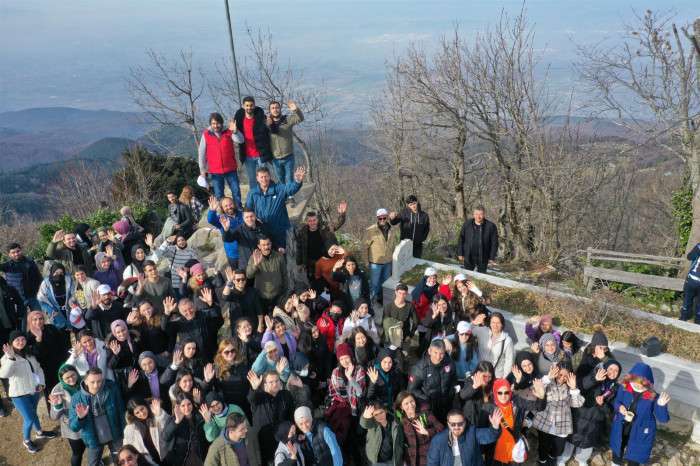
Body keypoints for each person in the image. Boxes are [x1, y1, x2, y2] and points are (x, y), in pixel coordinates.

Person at [0, 330, 56, 453]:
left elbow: (38, 369)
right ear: (11, 342)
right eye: (17, 340)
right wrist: (10, 358)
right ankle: (26, 440)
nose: (21, 342)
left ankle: (40, 432)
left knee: (33, 414)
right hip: (19, 394)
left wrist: (41, 383)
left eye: (23, 339)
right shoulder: (6, 357)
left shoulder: (29, 354)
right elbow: (4, 374)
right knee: (29, 418)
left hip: (34, 391)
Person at [609, 362, 670, 466]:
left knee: (635, 456)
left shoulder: (653, 396)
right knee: (618, 446)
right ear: (630, 378)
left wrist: (661, 405)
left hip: (640, 430)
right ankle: (616, 463)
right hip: (622, 425)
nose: (638, 384)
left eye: (642, 382)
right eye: (635, 381)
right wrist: (620, 407)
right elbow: (616, 402)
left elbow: (663, 419)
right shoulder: (624, 388)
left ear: (648, 382)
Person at [69, 367, 126, 466]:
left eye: (99, 381)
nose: (96, 385)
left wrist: (125, 430)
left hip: (115, 434)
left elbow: (121, 411)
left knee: (120, 461)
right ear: (86, 381)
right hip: (93, 439)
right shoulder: (76, 398)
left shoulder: (112, 389)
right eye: (92, 382)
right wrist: (80, 418)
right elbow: (73, 427)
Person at [570, 359, 622, 466]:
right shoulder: (595, 376)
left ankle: (582, 460)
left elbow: (612, 410)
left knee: (588, 441)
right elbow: (581, 387)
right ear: (605, 369)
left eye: (616, 370)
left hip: (596, 421)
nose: (613, 372)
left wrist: (603, 404)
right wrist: (594, 379)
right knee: (571, 438)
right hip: (581, 415)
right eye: (610, 369)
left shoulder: (616, 388)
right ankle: (563, 458)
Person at [532, 361, 584, 466]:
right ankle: (542, 461)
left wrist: (573, 388)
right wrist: (548, 377)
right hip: (546, 421)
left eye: (565, 376)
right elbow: (535, 388)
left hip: (562, 423)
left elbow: (577, 404)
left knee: (559, 449)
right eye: (560, 374)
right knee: (543, 446)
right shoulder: (548, 382)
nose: (562, 378)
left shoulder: (570, 386)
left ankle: (552, 457)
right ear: (556, 373)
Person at [246, 165, 306, 249]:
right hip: (262, 231)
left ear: (270, 176)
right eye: (261, 177)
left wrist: (297, 181)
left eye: (266, 176)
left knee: (281, 252)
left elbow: (290, 189)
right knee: (266, 253)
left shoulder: (278, 189)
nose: (264, 179)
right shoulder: (253, 193)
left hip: (279, 231)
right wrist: (254, 220)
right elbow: (248, 210)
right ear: (257, 178)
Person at [491, 378, 546, 466]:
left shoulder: (517, 402)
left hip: (514, 448)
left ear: (510, 392)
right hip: (497, 448)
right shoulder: (489, 408)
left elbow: (539, 407)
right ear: (495, 392)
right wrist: (494, 428)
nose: (503, 396)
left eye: (506, 392)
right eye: (499, 393)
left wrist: (542, 397)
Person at [25, 309, 71, 411]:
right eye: (35, 319)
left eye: (40, 318)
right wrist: (39, 340)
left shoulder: (50, 328)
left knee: (64, 387)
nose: (38, 321)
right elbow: (36, 356)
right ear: (30, 321)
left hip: (59, 364)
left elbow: (62, 344)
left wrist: (66, 360)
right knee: (51, 392)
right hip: (45, 370)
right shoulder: (28, 337)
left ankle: (68, 408)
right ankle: (54, 412)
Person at [247, 370, 295, 466]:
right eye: (271, 382)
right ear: (265, 384)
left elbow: (291, 415)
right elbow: (251, 398)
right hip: (265, 441)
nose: (275, 384)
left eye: (277, 381)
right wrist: (254, 389)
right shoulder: (259, 397)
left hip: (282, 440)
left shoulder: (286, 395)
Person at [199, 112, 245, 206]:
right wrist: (202, 170)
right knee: (219, 194)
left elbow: (241, 140)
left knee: (236, 191)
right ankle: (222, 211)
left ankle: (238, 209)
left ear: (221, 123)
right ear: (210, 124)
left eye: (218, 123)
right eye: (213, 123)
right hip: (215, 171)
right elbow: (201, 153)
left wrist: (235, 131)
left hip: (230, 168)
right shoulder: (206, 134)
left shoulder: (228, 131)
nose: (216, 126)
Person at [426, 409, 502, 466]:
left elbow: (489, 436)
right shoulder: (438, 440)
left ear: (465, 423)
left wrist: (495, 427)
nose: (456, 427)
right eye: (453, 424)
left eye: (460, 424)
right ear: (448, 424)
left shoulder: (472, 432)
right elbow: (432, 463)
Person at [163, 293, 223, 361]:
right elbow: (164, 328)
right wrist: (167, 313)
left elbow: (218, 318)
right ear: (180, 312)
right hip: (193, 360)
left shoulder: (204, 314)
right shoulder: (178, 323)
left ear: (194, 306)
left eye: (190, 308)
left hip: (212, 354)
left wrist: (211, 304)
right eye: (185, 311)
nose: (188, 312)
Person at [407, 339, 456, 422]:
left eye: (441, 353)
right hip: (429, 406)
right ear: (429, 351)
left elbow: (454, 378)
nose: (438, 356)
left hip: (446, 404)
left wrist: (451, 393)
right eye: (435, 352)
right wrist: (426, 399)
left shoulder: (449, 362)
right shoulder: (419, 368)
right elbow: (411, 389)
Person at [296, 205, 347, 281]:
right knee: (315, 284)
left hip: (326, 262)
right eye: (310, 221)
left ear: (317, 220)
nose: (312, 222)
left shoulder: (324, 228)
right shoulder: (302, 233)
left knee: (331, 282)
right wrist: (299, 263)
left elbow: (337, 223)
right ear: (307, 222)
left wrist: (342, 215)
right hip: (311, 265)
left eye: (314, 220)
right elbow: (299, 248)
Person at [49, 364, 86, 466]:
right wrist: (58, 406)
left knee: (91, 446)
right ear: (61, 379)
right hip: (72, 427)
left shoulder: (84, 382)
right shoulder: (57, 390)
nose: (71, 379)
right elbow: (53, 417)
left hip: (88, 423)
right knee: (78, 453)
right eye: (67, 378)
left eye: (73, 375)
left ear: (77, 373)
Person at [394, 391, 443, 466]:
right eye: (406, 403)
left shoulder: (425, 413)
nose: (410, 405)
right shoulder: (400, 420)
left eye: (412, 401)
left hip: (428, 458)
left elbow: (442, 429)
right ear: (401, 407)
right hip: (411, 460)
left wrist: (427, 432)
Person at [234, 96, 273, 185]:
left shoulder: (260, 117)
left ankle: (267, 193)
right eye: (247, 105)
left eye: (251, 105)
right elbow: (237, 138)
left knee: (265, 179)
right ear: (243, 106)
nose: (249, 107)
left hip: (261, 155)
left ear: (254, 105)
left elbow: (268, 132)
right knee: (252, 180)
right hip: (248, 156)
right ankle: (255, 194)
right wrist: (234, 131)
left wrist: (269, 126)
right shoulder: (239, 120)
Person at [246, 236, 288, 313]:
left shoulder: (279, 256)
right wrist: (255, 265)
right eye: (263, 245)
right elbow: (249, 275)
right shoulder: (254, 258)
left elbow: (284, 274)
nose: (266, 247)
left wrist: (285, 291)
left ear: (271, 244)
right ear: (259, 246)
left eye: (268, 244)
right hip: (261, 296)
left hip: (277, 295)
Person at [163, 393, 208, 466]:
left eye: (189, 404)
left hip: (200, 456)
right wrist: (177, 422)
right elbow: (165, 437)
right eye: (183, 405)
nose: (186, 408)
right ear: (178, 407)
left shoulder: (199, 416)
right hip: (184, 459)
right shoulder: (173, 419)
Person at [123, 397, 170, 465]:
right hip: (149, 461)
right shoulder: (131, 428)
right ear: (134, 415)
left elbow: (169, 428)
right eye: (137, 413)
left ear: (145, 405)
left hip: (166, 454)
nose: (141, 413)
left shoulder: (156, 411)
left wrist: (159, 415)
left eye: (142, 409)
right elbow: (126, 447)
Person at [268, 100, 304, 186]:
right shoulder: (267, 123)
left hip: (288, 157)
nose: (275, 110)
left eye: (277, 107)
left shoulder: (287, 120)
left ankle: (290, 194)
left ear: (280, 109)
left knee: (289, 180)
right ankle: (284, 194)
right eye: (273, 108)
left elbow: (300, 118)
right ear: (270, 110)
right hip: (275, 158)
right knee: (281, 181)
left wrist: (296, 110)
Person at [365, 208, 397, 304]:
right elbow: (364, 247)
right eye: (380, 218)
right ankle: (371, 302)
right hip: (375, 262)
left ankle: (383, 299)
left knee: (386, 283)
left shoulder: (392, 229)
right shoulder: (371, 230)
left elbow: (393, 245)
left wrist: (394, 260)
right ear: (377, 218)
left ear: (387, 217)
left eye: (384, 218)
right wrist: (366, 261)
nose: (382, 220)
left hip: (388, 261)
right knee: (374, 284)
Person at [472, 312, 514, 379]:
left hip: (496, 376)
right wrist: (474, 323)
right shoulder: (483, 331)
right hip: (480, 373)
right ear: (490, 323)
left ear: (502, 324)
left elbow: (509, 362)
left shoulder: (507, 340)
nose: (495, 325)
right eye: (493, 322)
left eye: (498, 323)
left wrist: (504, 379)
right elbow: (468, 331)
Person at [360, 402, 404, 466]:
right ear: (373, 416)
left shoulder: (394, 422)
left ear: (385, 411)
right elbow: (365, 424)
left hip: (392, 461)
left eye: (381, 412)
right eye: (376, 415)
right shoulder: (373, 424)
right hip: (377, 461)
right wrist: (365, 417)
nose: (380, 416)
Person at [457, 206, 499, 273]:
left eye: (480, 214)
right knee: (467, 275)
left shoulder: (491, 226)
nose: (478, 216)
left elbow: (494, 243)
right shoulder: (467, 224)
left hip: (483, 256)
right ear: (473, 214)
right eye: (476, 214)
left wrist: (492, 257)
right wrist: (460, 253)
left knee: (481, 276)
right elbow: (461, 239)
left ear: (484, 215)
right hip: (468, 255)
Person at [1, 242, 42, 310]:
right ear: (9, 254)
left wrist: (40, 290)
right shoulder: (7, 266)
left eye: (18, 251)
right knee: (22, 317)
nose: (16, 254)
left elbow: (39, 277)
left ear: (21, 250)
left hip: (33, 296)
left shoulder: (30, 262)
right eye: (13, 252)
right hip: (18, 299)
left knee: (37, 314)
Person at [222, 267, 264, 333]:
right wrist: (229, 281)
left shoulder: (253, 292)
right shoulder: (231, 293)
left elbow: (259, 310)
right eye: (238, 280)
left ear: (245, 280)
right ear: (234, 281)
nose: (241, 281)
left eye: (243, 279)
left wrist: (260, 324)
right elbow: (225, 296)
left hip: (252, 326)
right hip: (238, 329)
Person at [208, 196, 244, 268]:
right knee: (237, 273)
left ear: (234, 204)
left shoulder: (242, 214)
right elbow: (211, 220)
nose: (229, 207)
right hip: (233, 254)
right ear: (222, 208)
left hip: (246, 250)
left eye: (230, 204)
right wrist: (212, 211)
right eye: (226, 206)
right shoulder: (222, 218)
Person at [37, 261, 74, 330]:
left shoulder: (68, 280)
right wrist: (51, 310)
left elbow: (74, 293)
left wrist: (72, 303)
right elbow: (41, 299)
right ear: (52, 272)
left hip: (69, 310)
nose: (59, 275)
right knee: (60, 330)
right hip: (55, 312)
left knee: (72, 328)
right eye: (56, 273)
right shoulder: (46, 283)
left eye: (61, 273)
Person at [382, 283, 417, 350]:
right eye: (400, 293)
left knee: (400, 352)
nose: (401, 296)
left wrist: (410, 335)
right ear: (396, 292)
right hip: (390, 336)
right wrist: (386, 337)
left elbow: (416, 322)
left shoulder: (410, 306)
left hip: (404, 336)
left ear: (407, 294)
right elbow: (384, 322)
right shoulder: (388, 306)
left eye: (404, 294)